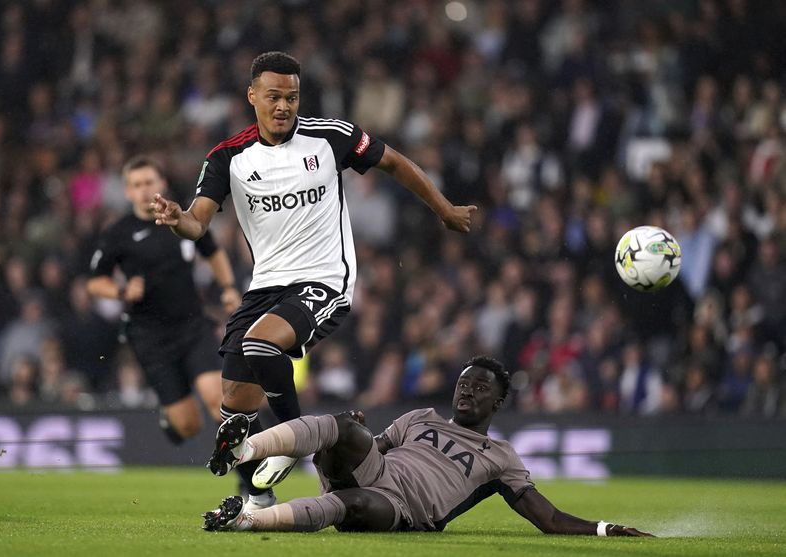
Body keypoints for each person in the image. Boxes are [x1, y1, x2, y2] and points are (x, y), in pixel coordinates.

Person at [151, 51, 476, 508]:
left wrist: (443, 209)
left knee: (260, 345)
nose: (283, 106)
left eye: (292, 97)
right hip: (265, 286)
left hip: (325, 279)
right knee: (234, 404)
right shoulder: (228, 157)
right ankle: (257, 498)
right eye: (273, 97)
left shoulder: (331, 137)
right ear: (252, 97)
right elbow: (198, 222)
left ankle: (293, 442)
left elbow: (396, 163)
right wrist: (177, 218)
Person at [200, 355, 653, 536]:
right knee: (341, 424)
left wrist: (604, 529)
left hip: (402, 508)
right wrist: (351, 434)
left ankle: (245, 521)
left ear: (498, 401)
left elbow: (549, 519)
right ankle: (240, 451)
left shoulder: (501, 458)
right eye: (463, 383)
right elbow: (372, 447)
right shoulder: (420, 417)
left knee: (348, 504)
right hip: (376, 470)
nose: (467, 391)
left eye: (479, 388)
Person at [88, 155, 242, 444]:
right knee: (188, 426)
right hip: (150, 337)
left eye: (149, 182)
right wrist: (121, 291)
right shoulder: (118, 233)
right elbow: (96, 282)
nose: (144, 189)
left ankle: (248, 476)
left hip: (192, 325)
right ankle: (171, 417)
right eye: (137, 184)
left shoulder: (181, 219)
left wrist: (229, 287)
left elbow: (212, 251)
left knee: (218, 401)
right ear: (127, 191)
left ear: (162, 183)